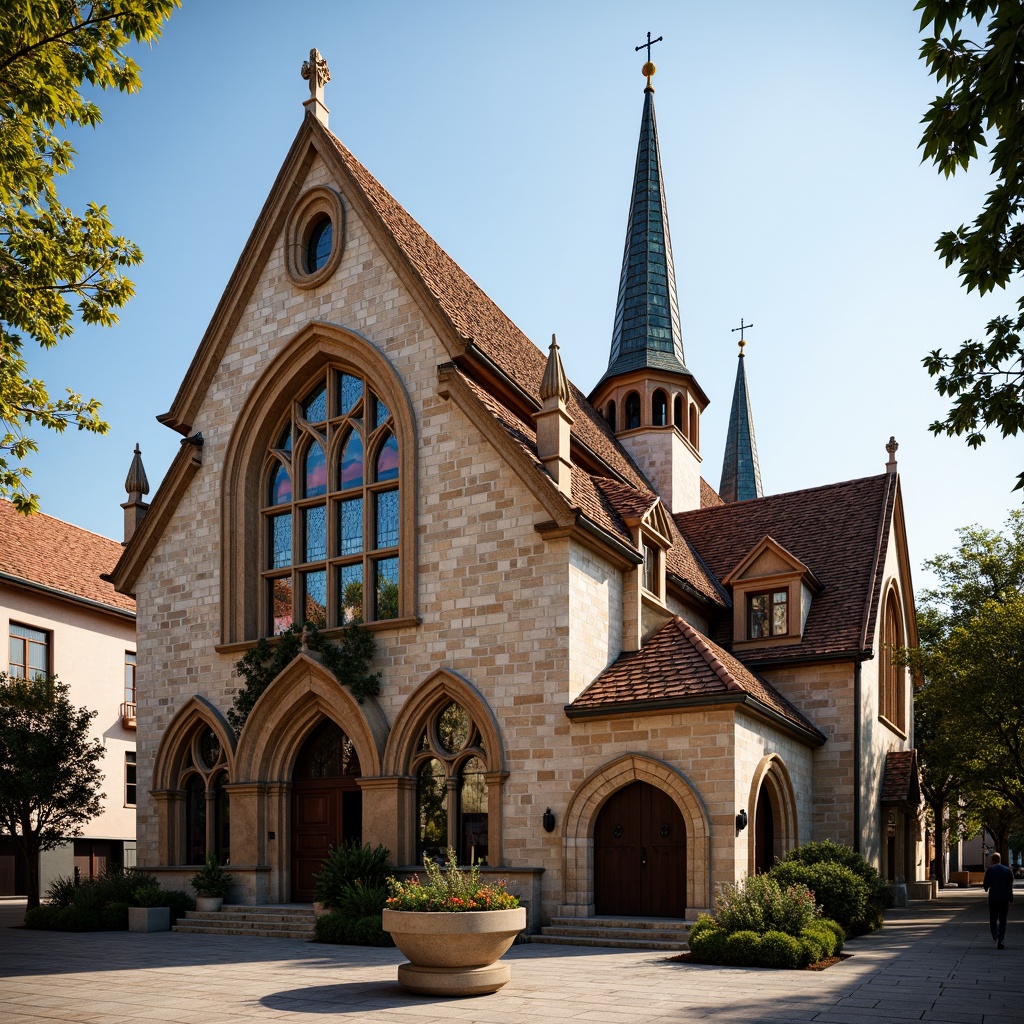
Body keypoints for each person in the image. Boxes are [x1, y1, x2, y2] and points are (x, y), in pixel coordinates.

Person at [983, 852, 1015, 949]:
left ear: (992, 860)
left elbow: (985, 886)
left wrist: (987, 887)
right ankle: (1001, 938)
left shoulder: (990, 870)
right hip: (1004, 898)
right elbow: (1010, 885)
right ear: (1000, 859)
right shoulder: (1007, 870)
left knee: (993, 918)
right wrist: (1011, 898)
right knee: (1003, 919)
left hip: (993, 898)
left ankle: (995, 934)